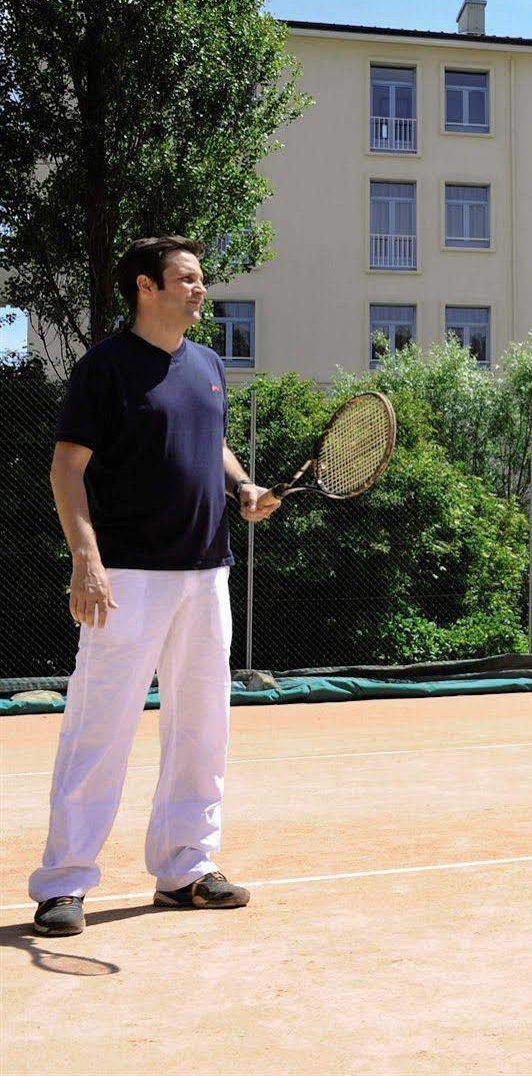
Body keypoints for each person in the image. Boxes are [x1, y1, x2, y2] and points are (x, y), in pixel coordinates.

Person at [30, 237, 280, 937]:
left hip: (207, 572)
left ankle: (186, 870)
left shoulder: (206, 365)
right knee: (99, 727)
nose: (201, 290)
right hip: (128, 576)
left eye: (200, 279)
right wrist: (87, 557)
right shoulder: (105, 367)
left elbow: (211, 442)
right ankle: (63, 883)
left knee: (203, 726)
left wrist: (243, 486)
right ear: (147, 287)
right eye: (188, 279)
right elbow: (67, 468)